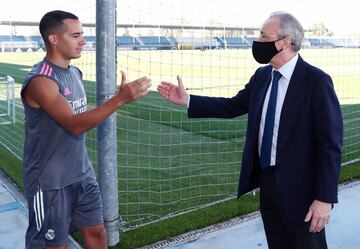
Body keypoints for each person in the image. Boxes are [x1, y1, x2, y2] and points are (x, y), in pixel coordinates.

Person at [158, 11, 343, 249]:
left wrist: (324, 198)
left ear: (285, 42)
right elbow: (232, 106)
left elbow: (330, 145)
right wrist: (188, 100)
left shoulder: (316, 81)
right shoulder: (263, 76)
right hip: (268, 182)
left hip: (303, 192)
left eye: (264, 37)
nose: (258, 42)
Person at [21, 10, 151, 249]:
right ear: (54, 39)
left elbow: (81, 117)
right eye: (76, 35)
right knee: (55, 246)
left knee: (97, 234)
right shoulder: (41, 81)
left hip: (82, 175)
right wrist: (120, 99)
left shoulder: (74, 72)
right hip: (50, 183)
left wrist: (117, 99)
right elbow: (73, 123)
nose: (83, 41)